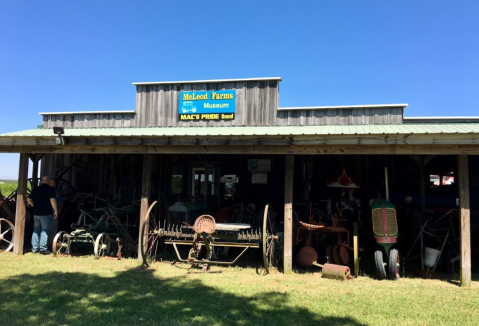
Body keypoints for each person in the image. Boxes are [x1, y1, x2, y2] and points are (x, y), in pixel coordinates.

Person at [27, 175, 58, 254]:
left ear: (41, 181)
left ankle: (34, 248)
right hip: (46, 213)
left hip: (36, 213)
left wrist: (34, 205)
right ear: (49, 181)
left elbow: (28, 198)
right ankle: (43, 249)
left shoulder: (36, 189)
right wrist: (55, 210)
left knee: (36, 230)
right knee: (45, 231)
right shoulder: (50, 189)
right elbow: (53, 200)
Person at [47, 178, 63, 250]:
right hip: (46, 214)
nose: (52, 185)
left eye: (54, 184)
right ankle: (43, 246)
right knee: (45, 230)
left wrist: (59, 210)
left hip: (54, 214)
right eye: (51, 183)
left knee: (52, 231)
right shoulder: (45, 191)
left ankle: (49, 245)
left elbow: (61, 202)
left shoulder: (57, 193)